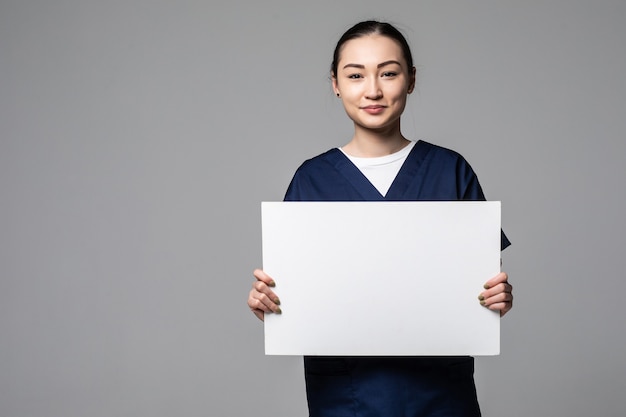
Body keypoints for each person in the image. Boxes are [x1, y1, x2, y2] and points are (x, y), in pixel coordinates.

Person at [247, 20, 513, 417]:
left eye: (388, 73)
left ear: (410, 80)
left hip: (440, 395)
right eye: (355, 75)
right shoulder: (311, 180)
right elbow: (293, 290)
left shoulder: (450, 170)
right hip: (347, 395)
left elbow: (482, 282)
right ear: (336, 83)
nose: (373, 90)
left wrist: (496, 297)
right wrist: (267, 301)